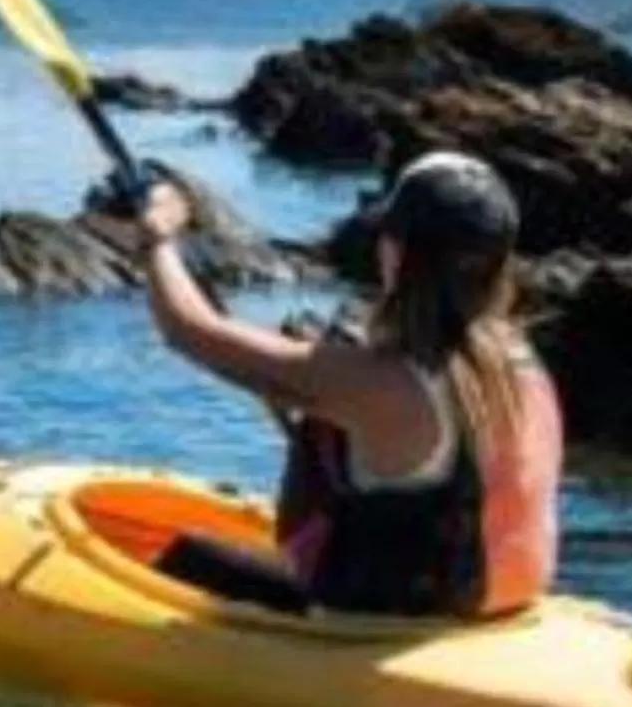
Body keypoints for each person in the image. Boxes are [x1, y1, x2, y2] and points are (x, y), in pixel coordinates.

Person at [135, 151, 561, 619]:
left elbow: (188, 330)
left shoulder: (375, 382)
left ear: (397, 253)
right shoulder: (522, 361)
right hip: (503, 603)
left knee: (189, 555)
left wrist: (158, 237)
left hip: (396, 622)